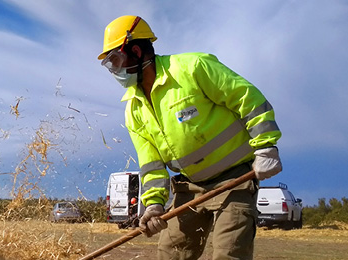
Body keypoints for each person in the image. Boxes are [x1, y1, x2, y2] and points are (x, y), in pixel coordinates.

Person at [98, 15, 282, 259]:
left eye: (115, 60)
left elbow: (247, 98)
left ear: (136, 50)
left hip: (235, 180)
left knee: (229, 253)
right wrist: (153, 204)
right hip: (189, 187)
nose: (115, 70)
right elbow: (151, 164)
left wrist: (266, 145)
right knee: (171, 254)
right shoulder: (134, 109)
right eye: (109, 65)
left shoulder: (192, 68)